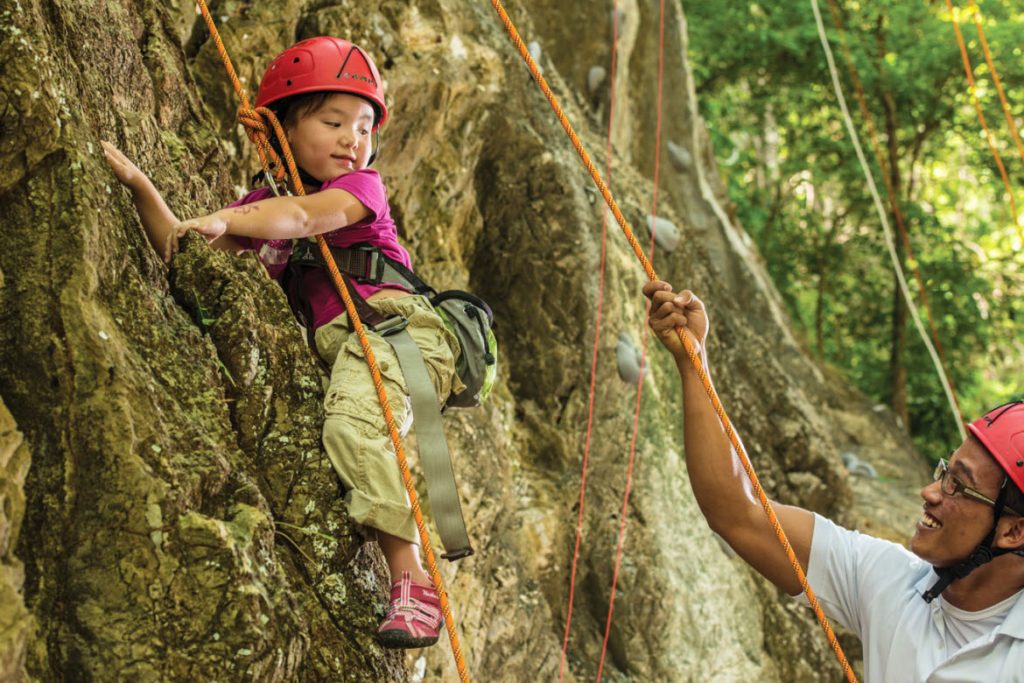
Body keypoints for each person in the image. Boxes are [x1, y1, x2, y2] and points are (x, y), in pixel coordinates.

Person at [102, 36, 459, 649]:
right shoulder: (261, 207)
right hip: (351, 343)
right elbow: (184, 250)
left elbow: (298, 219)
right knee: (345, 433)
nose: (355, 138)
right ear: (281, 132)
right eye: (334, 121)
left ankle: (414, 580)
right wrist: (141, 189)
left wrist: (228, 220)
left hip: (398, 330)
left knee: (353, 429)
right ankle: (407, 572)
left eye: (366, 125)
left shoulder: (362, 191)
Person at [642, 280, 1024, 681]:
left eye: (956, 485)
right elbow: (739, 512)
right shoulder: (891, 581)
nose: (929, 492)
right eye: (943, 471)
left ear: (1015, 531)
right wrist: (694, 362)